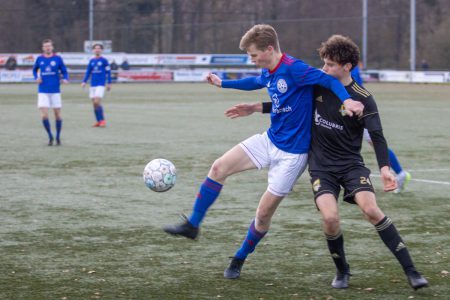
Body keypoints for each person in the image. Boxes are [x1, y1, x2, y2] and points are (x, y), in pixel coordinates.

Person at [163, 24, 364, 280]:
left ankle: (239, 258)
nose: (252, 59)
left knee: (262, 215)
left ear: (269, 49)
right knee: (218, 167)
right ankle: (192, 224)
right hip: (269, 140)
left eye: (254, 54)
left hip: (292, 156)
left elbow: (326, 80)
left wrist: (347, 100)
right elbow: (254, 82)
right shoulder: (268, 70)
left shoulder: (294, 68)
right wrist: (222, 83)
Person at [227, 35, 428, 290]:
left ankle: (412, 271)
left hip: (351, 165)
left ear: (347, 66)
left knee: (371, 211)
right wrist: (256, 108)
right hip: (322, 167)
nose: (324, 70)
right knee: (330, 219)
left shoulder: (363, 97)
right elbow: (286, 102)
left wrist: (386, 169)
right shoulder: (318, 87)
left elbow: (376, 135)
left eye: (330, 65)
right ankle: (342, 270)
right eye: (324, 64)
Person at [351, 66, 412, 193]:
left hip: (357, 113)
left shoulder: (349, 68)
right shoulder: (350, 67)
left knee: (376, 143)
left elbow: (356, 89)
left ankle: (400, 174)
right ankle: (400, 173)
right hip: (354, 111)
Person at [32, 39, 69, 146]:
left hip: (55, 90)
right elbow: (34, 70)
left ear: (52, 47)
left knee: (57, 115)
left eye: (49, 46)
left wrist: (65, 78)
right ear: (43, 48)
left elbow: (64, 71)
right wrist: (36, 78)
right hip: (43, 90)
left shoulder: (57, 58)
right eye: (45, 46)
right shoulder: (39, 59)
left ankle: (58, 136)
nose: (47, 48)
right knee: (44, 115)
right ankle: (50, 136)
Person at [81, 44, 111, 127]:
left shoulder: (104, 61)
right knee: (94, 104)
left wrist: (109, 83)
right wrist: (84, 81)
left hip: (100, 84)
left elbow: (108, 72)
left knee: (97, 101)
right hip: (92, 85)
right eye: (95, 49)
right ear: (93, 50)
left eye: (99, 49)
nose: (97, 50)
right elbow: (88, 72)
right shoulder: (92, 61)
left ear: (101, 50)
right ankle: (98, 121)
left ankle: (102, 120)